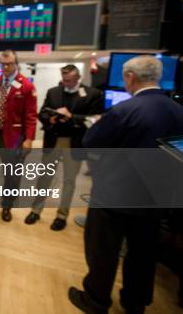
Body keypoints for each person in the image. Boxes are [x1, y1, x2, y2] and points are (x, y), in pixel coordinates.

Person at [69, 56, 183, 313]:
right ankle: (135, 302)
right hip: (156, 197)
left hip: (114, 195)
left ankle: (96, 300)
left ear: (130, 77)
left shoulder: (124, 110)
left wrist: (97, 125)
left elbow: (91, 142)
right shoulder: (179, 112)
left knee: (104, 252)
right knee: (143, 254)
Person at [25, 64, 103, 231]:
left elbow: (95, 120)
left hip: (74, 142)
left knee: (69, 181)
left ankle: (61, 216)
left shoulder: (92, 94)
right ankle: (35, 210)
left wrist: (71, 117)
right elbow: (42, 113)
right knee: (44, 178)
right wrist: (50, 119)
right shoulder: (54, 91)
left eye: (69, 80)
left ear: (78, 78)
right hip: (53, 139)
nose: (65, 83)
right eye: (63, 79)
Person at [0, 50, 37, 223]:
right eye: (2, 64)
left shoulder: (26, 86)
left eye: (9, 63)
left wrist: (29, 139)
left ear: (16, 64)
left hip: (13, 137)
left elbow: (31, 116)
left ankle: (6, 206)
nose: (5, 67)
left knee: (12, 175)